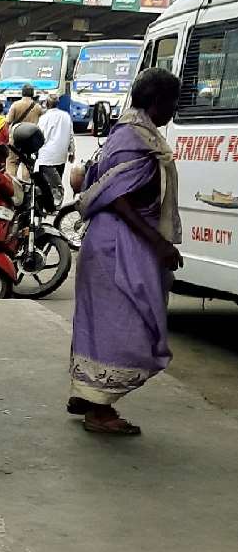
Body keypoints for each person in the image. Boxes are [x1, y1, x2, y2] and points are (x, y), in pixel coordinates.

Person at [68, 68, 184, 436]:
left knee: (102, 325)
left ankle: (86, 395)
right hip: (118, 246)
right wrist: (159, 243)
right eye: (171, 103)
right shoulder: (136, 140)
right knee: (127, 329)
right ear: (156, 102)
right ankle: (99, 412)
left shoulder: (127, 134)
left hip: (110, 243)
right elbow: (119, 199)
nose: (173, 110)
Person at [36, 93, 75, 212]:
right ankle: (52, 206)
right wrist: (72, 151)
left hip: (47, 156)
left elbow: (39, 136)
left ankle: (53, 207)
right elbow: (71, 135)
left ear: (46, 104)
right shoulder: (66, 116)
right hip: (61, 155)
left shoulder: (44, 118)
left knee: (52, 185)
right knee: (55, 182)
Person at [5, 83, 44, 174]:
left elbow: (8, 122)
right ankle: (26, 185)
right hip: (30, 140)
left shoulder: (15, 105)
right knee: (27, 164)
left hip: (16, 138)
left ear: (22, 93)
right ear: (32, 94)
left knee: (12, 163)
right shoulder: (38, 107)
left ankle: (12, 184)